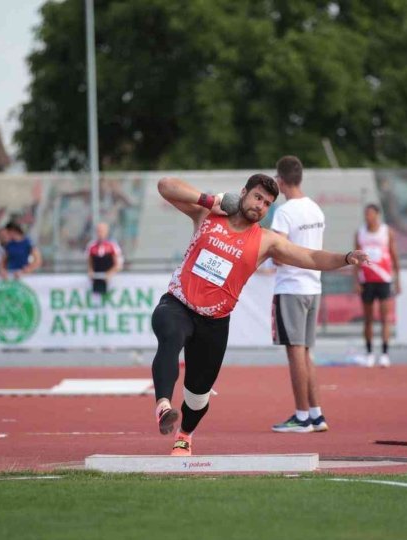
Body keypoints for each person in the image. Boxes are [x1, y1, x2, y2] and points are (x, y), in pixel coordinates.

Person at [151, 174, 368, 456]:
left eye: (267, 204)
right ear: (243, 193)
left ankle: (185, 434)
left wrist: (346, 257)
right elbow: (165, 186)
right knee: (170, 335)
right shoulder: (207, 214)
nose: (260, 206)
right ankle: (164, 406)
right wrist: (210, 199)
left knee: (197, 395)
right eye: (257, 197)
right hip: (178, 303)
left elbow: (310, 257)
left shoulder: (267, 241)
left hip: (214, 322)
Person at [268, 156, 328, 434]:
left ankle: (302, 416)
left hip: (291, 287)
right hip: (313, 286)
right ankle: (315, 414)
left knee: (295, 354)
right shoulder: (316, 209)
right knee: (305, 353)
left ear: (280, 181)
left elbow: (279, 253)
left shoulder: (284, 211)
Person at [355, 204, 400, 367]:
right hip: (367, 280)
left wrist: (398, 279)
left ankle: (385, 353)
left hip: (384, 279)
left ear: (377, 215)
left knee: (385, 318)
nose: (368, 217)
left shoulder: (386, 232)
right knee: (368, 319)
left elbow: (394, 255)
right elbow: (355, 258)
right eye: (366, 214)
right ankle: (369, 353)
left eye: (371, 214)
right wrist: (356, 281)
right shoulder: (360, 233)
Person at [86, 222, 123, 295]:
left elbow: (118, 265)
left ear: (107, 232)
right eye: (99, 231)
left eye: (102, 231)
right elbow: (90, 262)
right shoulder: (91, 246)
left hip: (110, 279)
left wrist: (110, 273)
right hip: (96, 279)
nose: (100, 233)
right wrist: (90, 271)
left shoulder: (113, 246)